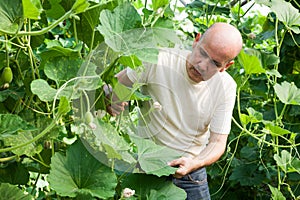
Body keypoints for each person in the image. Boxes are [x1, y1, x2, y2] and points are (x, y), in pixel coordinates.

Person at [106, 22, 243, 200]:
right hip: (146, 164)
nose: (202, 65)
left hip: (189, 171)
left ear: (226, 66)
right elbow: (116, 87)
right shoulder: (159, 59)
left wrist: (195, 162)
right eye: (202, 53)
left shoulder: (226, 87)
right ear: (196, 40)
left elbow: (217, 142)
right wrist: (111, 100)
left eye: (215, 63)